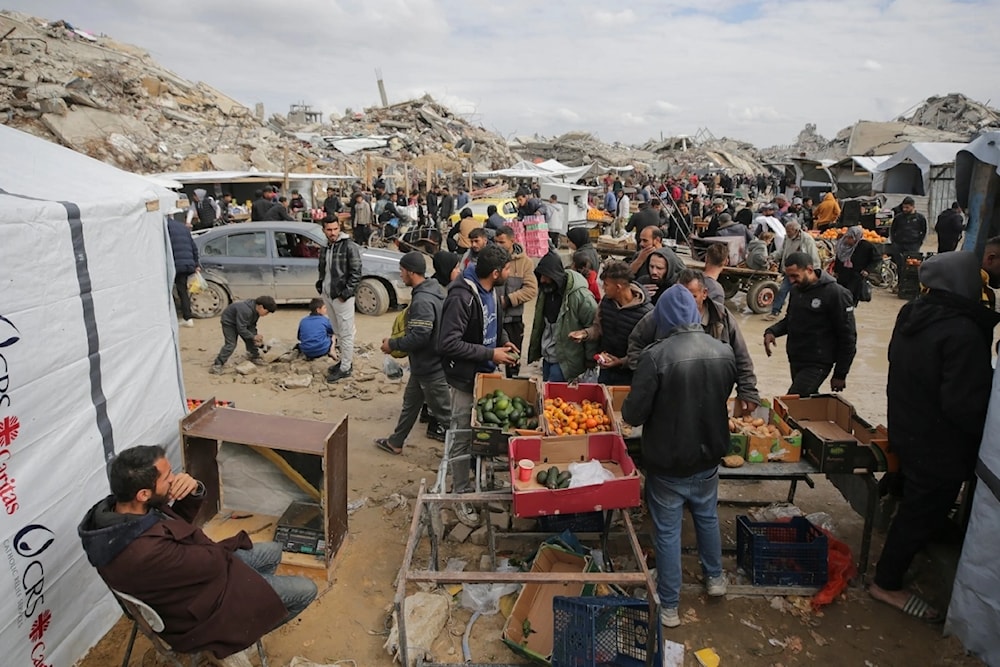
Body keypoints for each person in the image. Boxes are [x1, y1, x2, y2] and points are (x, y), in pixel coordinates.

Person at [78, 445, 317, 662]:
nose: (174, 480)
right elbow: (212, 561)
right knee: (307, 590)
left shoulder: (121, 513)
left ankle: (255, 610)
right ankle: (242, 633)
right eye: (168, 477)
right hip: (195, 612)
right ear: (143, 494)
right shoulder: (144, 551)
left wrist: (194, 489)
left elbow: (176, 527)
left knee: (274, 551)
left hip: (189, 582)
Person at [869, 252, 1000, 623]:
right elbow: (964, 402)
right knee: (921, 510)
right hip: (939, 441)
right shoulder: (963, 330)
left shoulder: (913, 314)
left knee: (917, 500)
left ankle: (918, 542)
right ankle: (886, 582)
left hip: (907, 425)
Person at [622, 285, 736, 628]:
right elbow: (721, 396)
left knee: (668, 531)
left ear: (664, 316)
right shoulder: (724, 351)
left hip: (668, 461)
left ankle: (669, 605)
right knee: (707, 517)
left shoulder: (655, 356)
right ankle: (715, 578)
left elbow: (633, 414)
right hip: (708, 457)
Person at [439, 244, 519, 525]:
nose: (511, 273)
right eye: (508, 269)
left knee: (483, 433)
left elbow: (492, 323)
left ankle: (478, 479)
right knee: (461, 436)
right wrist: (490, 354)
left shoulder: (492, 291)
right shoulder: (461, 296)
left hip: (486, 374)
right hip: (464, 379)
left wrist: (502, 341)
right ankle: (459, 495)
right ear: (496, 273)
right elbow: (448, 343)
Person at [628, 270, 760, 413]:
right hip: (670, 399)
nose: (685, 302)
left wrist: (748, 390)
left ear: (704, 293)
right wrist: (647, 377)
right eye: (680, 297)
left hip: (710, 397)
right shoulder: (660, 315)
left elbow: (741, 358)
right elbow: (636, 343)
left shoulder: (722, 318)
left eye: (692, 297)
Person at [375, 252, 451, 453]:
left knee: (446, 415)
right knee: (411, 404)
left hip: (431, 368)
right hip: (422, 366)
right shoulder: (434, 290)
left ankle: (468, 454)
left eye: (402, 271)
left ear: (410, 272)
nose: (400, 275)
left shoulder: (423, 301)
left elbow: (419, 336)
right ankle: (395, 442)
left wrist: (392, 344)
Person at [764, 252, 857, 395]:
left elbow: (848, 337)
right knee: (807, 403)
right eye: (789, 276)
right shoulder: (796, 290)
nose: (791, 280)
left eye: (795, 276)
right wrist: (772, 331)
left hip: (818, 362)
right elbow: (791, 319)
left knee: (792, 402)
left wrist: (840, 373)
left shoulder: (836, 294)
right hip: (796, 358)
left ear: (809, 270)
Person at [570, 261, 652, 386]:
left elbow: (646, 351)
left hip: (629, 377)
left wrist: (621, 361)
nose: (603, 288)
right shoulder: (606, 303)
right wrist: (584, 334)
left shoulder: (646, 314)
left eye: (606, 285)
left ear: (618, 287)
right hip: (606, 370)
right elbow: (598, 328)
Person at [528, 251, 599, 382]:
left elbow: (592, 327)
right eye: (541, 276)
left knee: (554, 397)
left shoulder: (581, 297)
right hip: (547, 357)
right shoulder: (546, 292)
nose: (542, 280)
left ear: (556, 276)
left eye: (546, 276)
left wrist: (590, 359)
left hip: (565, 361)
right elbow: (540, 325)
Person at [317, 218, 362, 382]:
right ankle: (344, 361)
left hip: (342, 296)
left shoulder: (348, 246)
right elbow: (323, 270)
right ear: (324, 230)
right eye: (329, 230)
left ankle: (345, 368)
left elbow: (356, 272)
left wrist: (346, 293)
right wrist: (320, 286)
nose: (333, 233)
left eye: (335, 229)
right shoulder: (325, 246)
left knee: (346, 333)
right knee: (337, 331)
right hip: (329, 294)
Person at [492, 227, 537, 378]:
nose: (498, 245)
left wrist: (509, 300)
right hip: (492, 319)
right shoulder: (490, 259)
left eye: (502, 242)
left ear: (513, 241)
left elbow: (531, 289)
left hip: (513, 322)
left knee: (513, 361)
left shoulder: (525, 262)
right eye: (496, 242)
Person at [766, 220, 820, 320]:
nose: (787, 233)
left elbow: (813, 256)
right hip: (789, 270)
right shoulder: (787, 238)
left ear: (796, 230)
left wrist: (815, 271)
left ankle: (793, 315)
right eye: (786, 231)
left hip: (801, 272)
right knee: (782, 290)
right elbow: (782, 251)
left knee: (797, 294)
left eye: (789, 231)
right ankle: (775, 312)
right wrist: (772, 256)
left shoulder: (807, 239)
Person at [209, 295, 276, 373]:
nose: (266, 314)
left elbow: (252, 325)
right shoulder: (246, 310)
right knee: (231, 344)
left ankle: (254, 356)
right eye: (267, 312)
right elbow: (241, 329)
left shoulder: (256, 311)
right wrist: (253, 336)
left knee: (250, 339)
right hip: (229, 323)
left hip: (241, 323)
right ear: (261, 307)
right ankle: (217, 364)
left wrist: (255, 336)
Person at [167, 214, 200, 327]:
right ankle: (187, 317)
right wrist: (196, 263)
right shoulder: (182, 227)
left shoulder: (164, 227)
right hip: (187, 263)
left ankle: (173, 317)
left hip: (175, 264)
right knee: (183, 290)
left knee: (169, 291)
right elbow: (193, 246)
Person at [832, 226, 878, 305]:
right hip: (843, 276)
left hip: (856, 277)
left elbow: (876, 259)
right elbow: (838, 258)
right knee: (840, 298)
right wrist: (836, 271)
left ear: (856, 237)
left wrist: (867, 270)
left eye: (851, 238)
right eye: (847, 237)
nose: (847, 240)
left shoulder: (866, 246)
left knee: (850, 300)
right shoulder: (842, 245)